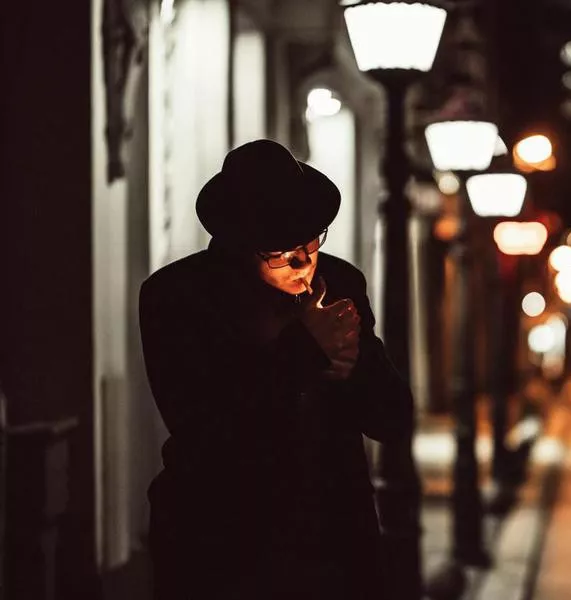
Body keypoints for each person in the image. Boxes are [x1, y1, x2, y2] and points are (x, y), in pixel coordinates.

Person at [139, 139, 414, 599]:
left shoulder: (340, 282)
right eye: (280, 251)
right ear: (239, 247)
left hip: (333, 537)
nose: (303, 260)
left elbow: (394, 417)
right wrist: (305, 350)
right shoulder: (177, 297)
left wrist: (354, 368)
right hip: (222, 543)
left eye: (311, 240)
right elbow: (207, 429)